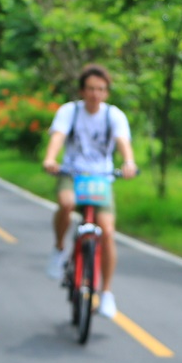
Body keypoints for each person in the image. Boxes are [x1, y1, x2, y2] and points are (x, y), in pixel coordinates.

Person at [41, 64, 137, 319]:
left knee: (107, 231)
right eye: (91, 89)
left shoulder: (113, 116)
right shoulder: (69, 111)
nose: (95, 94)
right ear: (82, 91)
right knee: (66, 204)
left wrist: (128, 163)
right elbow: (58, 137)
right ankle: (60, 248)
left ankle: (106, 293)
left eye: (101, 89)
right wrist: (51, 159)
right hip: (72, 175)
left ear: (106, 93)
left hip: (101, 179)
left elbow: (123, 143)